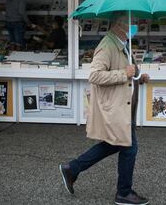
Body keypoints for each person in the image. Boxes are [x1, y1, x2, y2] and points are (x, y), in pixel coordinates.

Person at [59, 13, 150, 205]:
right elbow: (95, 76)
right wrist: (123, 73)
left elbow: (129, 71)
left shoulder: (123, 44)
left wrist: (138, 77)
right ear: (119, 25)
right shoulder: (107, 46)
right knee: (129, 148)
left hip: (124, 108)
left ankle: (72, 168)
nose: (134, 27)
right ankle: (123, 193)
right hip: (116, 108)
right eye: (131, 23)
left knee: (115, 144)